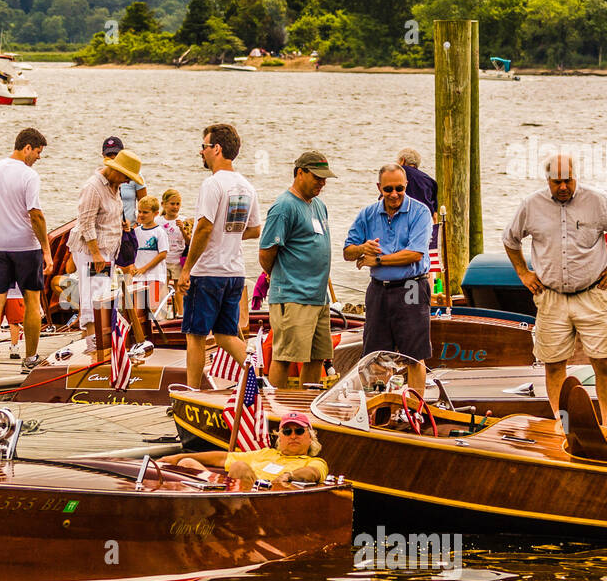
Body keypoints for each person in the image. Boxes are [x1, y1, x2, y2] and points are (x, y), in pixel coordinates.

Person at [503, 153, 607, 428]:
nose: (563, 187)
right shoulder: (531, 204)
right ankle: (561, 425)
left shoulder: (597, 201)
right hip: (551, 297)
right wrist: (523, 273)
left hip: (593, 294)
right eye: (557, 182)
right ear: (548, 181)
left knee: (602, 362)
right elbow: (510, 239)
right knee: (553, 365)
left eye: (568, 180)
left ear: (576, 176)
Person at [180, 122, 261, 389]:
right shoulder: (247, 186)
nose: (200, 152)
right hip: (234, 272)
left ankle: (191, 393)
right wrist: (229, 234)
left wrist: (186, 269)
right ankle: (259, 378)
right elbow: (254, 229)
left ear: (216, 148)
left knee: (195, 335)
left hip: (208, 271)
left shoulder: (213, 184)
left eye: (204, 146)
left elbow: (203, 227)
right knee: (226, 334)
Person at [343, 163, 433, 393]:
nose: (394, 194)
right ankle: (377, 408)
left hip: (412, 285)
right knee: (374, 354)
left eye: (399, 189)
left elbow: (415, 253)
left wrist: (378, 260)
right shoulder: (367, 214)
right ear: (379, 188)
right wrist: (363, 247)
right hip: (379, 289)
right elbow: (347, 252)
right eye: (388, 189)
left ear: (406, 186)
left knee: (414, 354)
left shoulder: (421, 212)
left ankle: (415, 409)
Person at [0, 128, 52, 376]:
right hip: (25, 247)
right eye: (38, 152)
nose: (38, 158)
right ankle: (30, 358)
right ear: (27, 147)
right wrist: (47, 250)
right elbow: (36, 215)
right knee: (31, 301)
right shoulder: (29, 176)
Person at [258, 151, 337, 389]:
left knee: (317, 356)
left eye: (325, 179)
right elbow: (266, 252)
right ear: (300, 173)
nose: (322, 183)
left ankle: (305, 409)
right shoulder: (284, 206)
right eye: (317, 177)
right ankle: (277, 412)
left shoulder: (319, 206)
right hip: (293, 296)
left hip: (319, 298)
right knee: (285, 356)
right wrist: (281, 276)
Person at [72, 149, 144, 341]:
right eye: (126, 177)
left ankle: (98, 341)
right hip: (93, 252)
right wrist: (96, 254)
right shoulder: (94, 187)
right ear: (116, 171)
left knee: (102, 296)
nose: (128, 182)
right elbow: (85, 222)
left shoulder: (115, 186)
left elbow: (107, 214)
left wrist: (121, 224)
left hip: (108, 251)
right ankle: (91, 343)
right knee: (93, 298)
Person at [162, 412, 328, 488]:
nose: (293, 436)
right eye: (287, 431)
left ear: (310, 437)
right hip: (229, 492)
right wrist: (178, 456)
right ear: (280, 437)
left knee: (239, 467)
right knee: (187, 462)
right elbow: (222, 459)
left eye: (299, 431)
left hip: (266, 499)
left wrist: (290, 476)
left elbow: (313, 473)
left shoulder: (314, 461)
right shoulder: (266, 453)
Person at [126, 194, 168, 321]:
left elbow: (163, 254)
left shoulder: (159, 232)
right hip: (138, 275)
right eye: (139, 212)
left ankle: (153, 329)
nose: (141, 215)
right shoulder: (136, 231)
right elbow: (131, 252)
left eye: (145, 212)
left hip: (154, 275)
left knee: (152, 306)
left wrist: (144, 268)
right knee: (137, 307)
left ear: (155, 213)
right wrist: (132, 266)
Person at [159, 188, 191, 316]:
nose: (175, 207)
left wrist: (183, 229)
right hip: (163, 260)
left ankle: (181, 314)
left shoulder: (184, 220)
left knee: (179, 289)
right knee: (163, 287)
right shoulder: (158, 221)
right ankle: (162, 315)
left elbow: (189, 242)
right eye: (172, 204)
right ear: (164, 204)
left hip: (178, 260)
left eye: (178, 204)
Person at [104, 136, 144, 224]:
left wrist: (138, 225)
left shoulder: (135, 175)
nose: (113, 157)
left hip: (130, 227)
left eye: (116, 154)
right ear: (103, 155)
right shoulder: (100, 178)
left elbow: (145, 204)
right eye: (109, 155)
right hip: (108, 228)